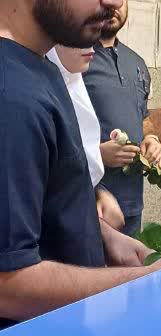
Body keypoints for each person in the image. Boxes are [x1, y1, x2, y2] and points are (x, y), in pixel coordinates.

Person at [0, 0, 161, 328]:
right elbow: (8, 284)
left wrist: (103, 236)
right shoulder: (10, 95)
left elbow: (41, 206)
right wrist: (146, 282)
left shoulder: (43, 67)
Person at [84, 0, 161, 237]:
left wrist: (151, 139)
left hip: (131, 202)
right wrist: (97, 155)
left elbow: (143, 116)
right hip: (89, 202)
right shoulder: (74, 60)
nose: (115, 4)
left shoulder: (136, 62)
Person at [47, 45, 126, 230]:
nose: (90, 46)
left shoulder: (74, 80)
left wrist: (96, 193)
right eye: (78, 34)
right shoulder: (36, 92)